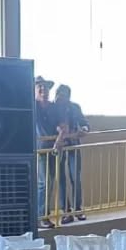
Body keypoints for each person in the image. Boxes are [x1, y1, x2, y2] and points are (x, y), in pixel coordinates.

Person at [53, 84, 89, 224]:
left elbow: (84, 123)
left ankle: (78, 208)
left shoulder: (74, 107)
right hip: (59, 146)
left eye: (65, 95)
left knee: (75, 178)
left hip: (73, 145)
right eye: (60, 94)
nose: (62, 97)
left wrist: (84, 129)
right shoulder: (52, 108)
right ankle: (66, 211)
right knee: (60, 179)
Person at [32, 76, 60, 228]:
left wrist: (59, 140)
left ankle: (44, 214)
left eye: (46, 88)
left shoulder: (53, 107)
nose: (43, 90)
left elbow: (61, 125)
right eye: (40, 87)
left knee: (50, 182)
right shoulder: (32, 106)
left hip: (54, 149)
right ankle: (41, 217)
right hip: (39, 149)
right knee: (44, 183)